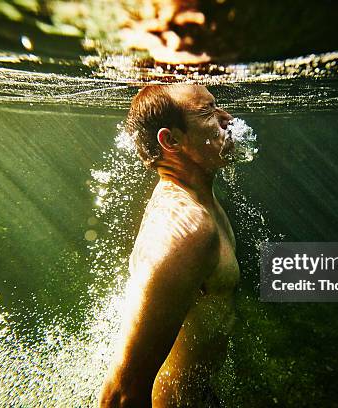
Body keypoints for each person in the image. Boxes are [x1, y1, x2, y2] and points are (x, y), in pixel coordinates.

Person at [98, 84, 239, 407]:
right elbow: (119, 395)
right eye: (209, 112)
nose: (227, 119)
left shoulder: (200, 201)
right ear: (171, 140)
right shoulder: (187, 230)